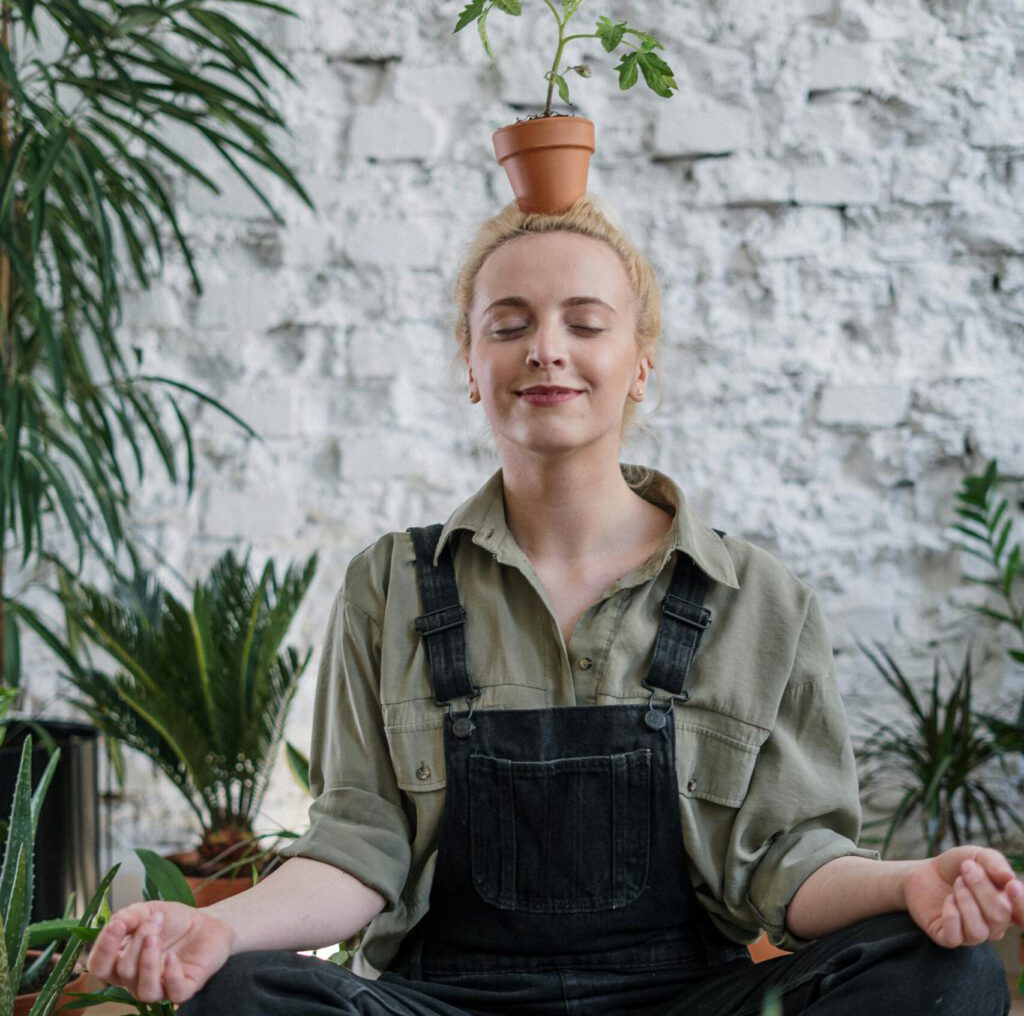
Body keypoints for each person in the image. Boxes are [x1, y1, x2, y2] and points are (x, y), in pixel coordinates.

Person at [87, 196, 1022, 1016]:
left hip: (685, 999)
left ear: (639, 362)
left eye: (585, 322)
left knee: (949, 972)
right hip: (444, 1001)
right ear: (470, 364)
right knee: (240, 990)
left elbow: (785, 862)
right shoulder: (392, 584)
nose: (546, 350)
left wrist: (913, 885)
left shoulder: (758, 598)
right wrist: (217, 930)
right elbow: (357, 848)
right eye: (509, 324)